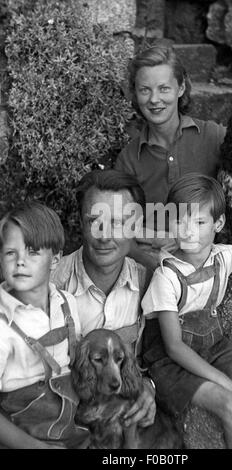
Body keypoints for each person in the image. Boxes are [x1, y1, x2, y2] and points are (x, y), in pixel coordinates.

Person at [141, 173, 232, 449]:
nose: (188, 230)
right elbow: (173, 346)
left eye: (199, 222)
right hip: (171, 360)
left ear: (218, 223)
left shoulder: (223, 255)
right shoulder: (167, 276)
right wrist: (226, 383)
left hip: (213, 346)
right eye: (179, 220)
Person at [51, 169, 156, 429]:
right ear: (80, 222)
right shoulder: (51, 284)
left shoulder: (150, 282)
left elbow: (160, 353)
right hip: (66, 426)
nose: (105, 236)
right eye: (95, 221)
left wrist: (149, 385)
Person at [115, 44, 226, 269]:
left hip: (204, 260)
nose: (154, 99)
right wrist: (159, 264)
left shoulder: (213, 136)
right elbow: (120, 229)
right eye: (145, 89)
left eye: (164, 88)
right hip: (153, 264)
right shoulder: (129, 158)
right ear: (135, 94)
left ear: (181, 88)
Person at [0, 202, 90, 449]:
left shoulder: (67, 305)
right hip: (20, 437)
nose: (20, 262)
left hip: (69, 429)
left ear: (55, 260)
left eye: (32, 251)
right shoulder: (2, 326)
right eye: (10, 252)